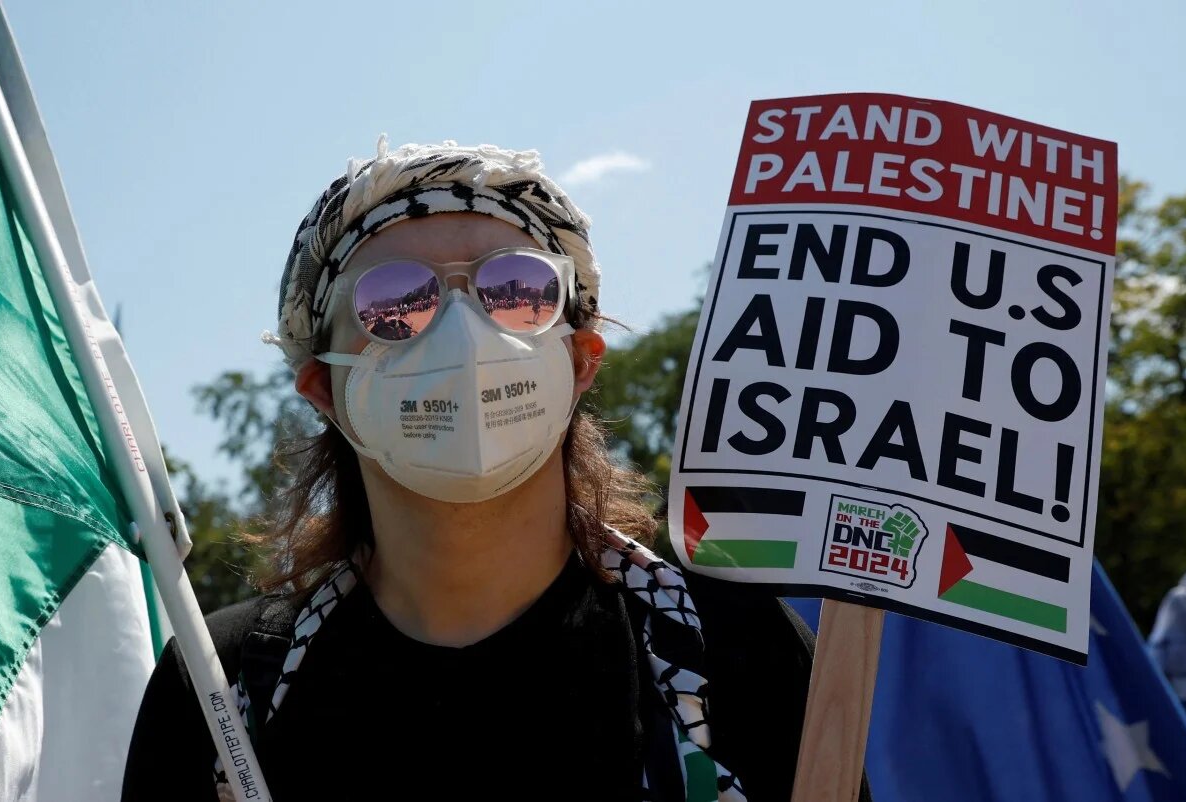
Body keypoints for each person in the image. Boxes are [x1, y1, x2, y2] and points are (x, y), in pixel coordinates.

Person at [123, 140, 850, 802]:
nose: (465, 334)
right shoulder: (225, 690)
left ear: (579, 360)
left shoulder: (730, 652)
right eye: (395, 303)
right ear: (323, 390)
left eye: (517, 291)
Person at [1150, 567, 1186, 722]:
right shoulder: (1179, 598)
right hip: (1181, 688)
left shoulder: (1178, 598)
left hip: (1180, 689)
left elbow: (1159, 642)